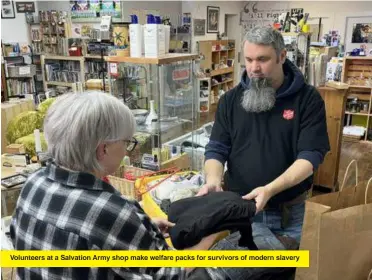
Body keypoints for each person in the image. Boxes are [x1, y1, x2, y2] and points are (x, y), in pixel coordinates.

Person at [10, 91, 217, 280]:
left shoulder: (33, 183)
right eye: (126, 142)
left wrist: (139, 227)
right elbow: (173, 274)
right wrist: (211, 238)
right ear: (103, 149)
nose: (127, 151)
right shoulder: (110, 210)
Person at [198, 26, 330, 245]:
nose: (254, 68)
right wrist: (213, 180)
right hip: (240, 211)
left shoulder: (308, 99)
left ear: (282, 56)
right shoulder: (230, 100)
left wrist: (270, 189)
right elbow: (216, 148)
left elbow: (310, 156)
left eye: (262, 59)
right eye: (248, 60)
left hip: (289, 214)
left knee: (286, 274)